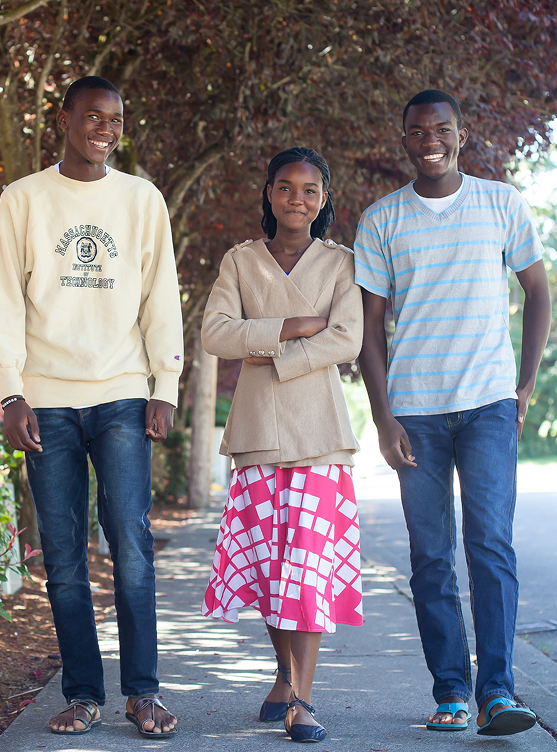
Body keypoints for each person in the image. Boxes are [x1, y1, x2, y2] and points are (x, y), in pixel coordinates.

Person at [0, 75, 182, 739]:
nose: (105, 127)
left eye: (116, 118)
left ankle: (144, 693)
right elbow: (6, 300)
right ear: (63, 117)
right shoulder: (25, 199)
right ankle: (83, 694)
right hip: (47, 401)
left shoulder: (142, 199)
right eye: (92, 115)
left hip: (123, 392)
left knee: (131, 545)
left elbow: (162, 298)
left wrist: (166, 386)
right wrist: (11, 391)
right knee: (64, 556)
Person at [354, 90, 551, 736]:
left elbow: (537, 291)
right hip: (415, 415)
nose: (429, 139)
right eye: (417, 131)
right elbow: (370, 329)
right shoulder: (381, 220)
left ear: (462, 135)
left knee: (490, 546)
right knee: (430, 556)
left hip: (490, 406)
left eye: (442, 129)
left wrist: (523, 386)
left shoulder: (501, 203)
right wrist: (383, 420)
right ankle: (451, 691)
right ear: (403, 139)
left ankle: (497, 690)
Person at [200, 147, 364, 743]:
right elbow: (216, 333)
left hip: (320, 432)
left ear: (325, 199)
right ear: (269, 193)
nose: (298, 199)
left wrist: (266, 351)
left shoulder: (341, 264)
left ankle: (301, 699)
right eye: (287, 188)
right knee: (274, 569)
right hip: (256, 433)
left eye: (311, 190)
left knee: (307, 570)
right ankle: (281, 673)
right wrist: (295, 327)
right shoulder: (240, 262)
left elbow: (348, 339)